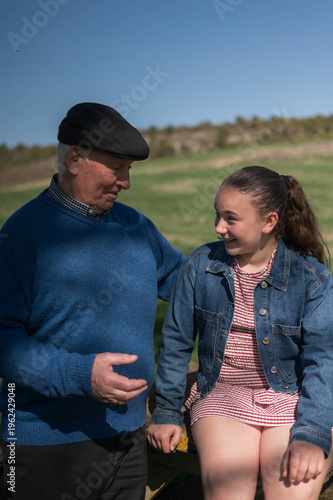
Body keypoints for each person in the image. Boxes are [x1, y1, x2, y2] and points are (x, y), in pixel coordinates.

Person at [0, 102, 184, 500]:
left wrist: (258, 260)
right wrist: (80, 375)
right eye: (117, 167)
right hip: (44, 439)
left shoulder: (136, 226)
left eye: (129, 169)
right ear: (75, 158)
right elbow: (3, 339)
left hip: (129, 434)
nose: (126, 181)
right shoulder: (21, 235)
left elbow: (188, 284)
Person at [148, 166, 333, 500]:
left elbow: (323, 359)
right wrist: (166, 411)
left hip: (294, 397)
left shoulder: (311, 279)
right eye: (217, 216)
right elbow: (176, 344)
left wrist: (312, 432)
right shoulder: (199, 267)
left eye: (231, 218)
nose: (219, 228)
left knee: (290, 491)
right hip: (222, 396)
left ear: (269, 221)